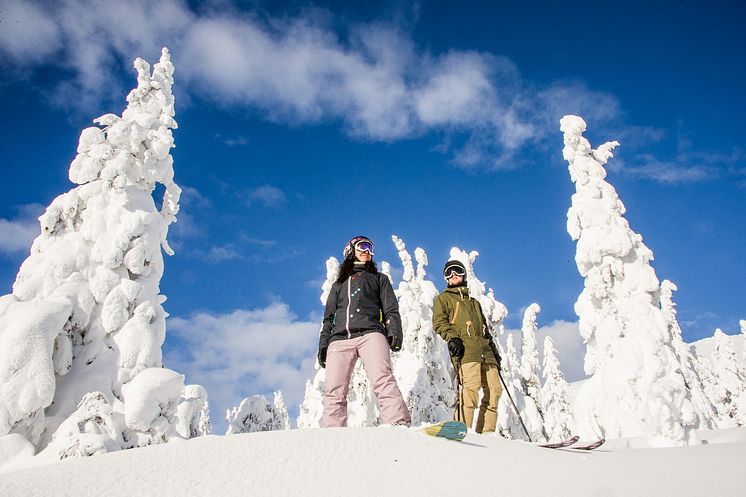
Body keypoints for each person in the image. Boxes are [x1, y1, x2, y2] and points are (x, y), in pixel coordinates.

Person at [317, 236, 411, 427]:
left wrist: (394, 330)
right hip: (340, 339)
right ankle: (332, 432)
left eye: (371, 248)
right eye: (363, 247)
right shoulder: (338, 286)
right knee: (334, 390)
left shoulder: (379, 279)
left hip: (371, 333)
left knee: (382, 378)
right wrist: (324, 344)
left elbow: (390, 308)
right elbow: (328, 318)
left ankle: (398, 422)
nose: (368, 251)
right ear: (350, 250)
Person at [432, 259, 502, 433]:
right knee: (471, 390)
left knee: (495, 390)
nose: (453, 275)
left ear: (463, 273)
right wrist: (452, 338)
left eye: (456, 271)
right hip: (466, 351)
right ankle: (459, 430)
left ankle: (486, 432)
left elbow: (485, 331)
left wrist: (494, 352)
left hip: (486, 352)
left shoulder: (474, 302)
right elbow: (439, 323)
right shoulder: (443, 299)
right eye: (448, 273)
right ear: (446, 279)